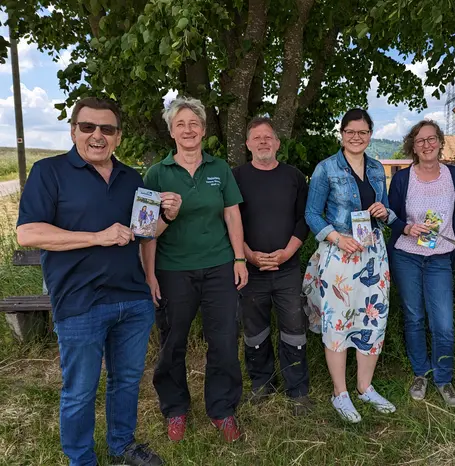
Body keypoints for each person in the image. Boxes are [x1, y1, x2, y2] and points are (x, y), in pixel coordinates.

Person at [16, 97, 166, 466]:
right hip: (80, 302)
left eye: (107, 129)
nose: (97, 135)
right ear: (73, 131)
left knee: (127, 381)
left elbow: (145, 233)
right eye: (88, 127)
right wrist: (96, 236)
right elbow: (28, 234)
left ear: (118, 137)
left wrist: (168, 217)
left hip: (132, 299)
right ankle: (81, 458)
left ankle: (122, 446)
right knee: (80, 391)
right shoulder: (48, 172)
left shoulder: (132, 177)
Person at [140, 97, 248, 443]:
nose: (188, 130)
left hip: (219, 267)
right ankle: (175, 410)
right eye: (180, 124)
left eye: (194, 124)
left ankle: (222, 410)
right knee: (173, 342)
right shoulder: (156, 173)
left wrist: (239, 258)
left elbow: (232, 214)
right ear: (171, 131)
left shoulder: (220, 169)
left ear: (203, 130)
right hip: (173, 270)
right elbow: (144, 229)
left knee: (224, 342)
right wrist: (150, 274)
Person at [304, 108, 397, 423]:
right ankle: (340, 393)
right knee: (339, 323)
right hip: (339, 257)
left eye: (363, 132)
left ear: (370, 135)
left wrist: (386, 213)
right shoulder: (326, 169)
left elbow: (385, 212)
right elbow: (312, 214)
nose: (356, 137)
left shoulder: (375, 168)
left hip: (372, 255)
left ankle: (365, 387)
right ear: (341, 134)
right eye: (350, 131)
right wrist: (336, 238)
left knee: (372, 320)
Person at [388, 119, 455, 407]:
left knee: (443, 322)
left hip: (441, 256)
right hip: (406, 255)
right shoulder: (402, 179)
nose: (427, 144)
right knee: (414, 317)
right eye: (421, 140)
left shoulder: (453, 175)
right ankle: (421, 374)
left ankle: (444, 379)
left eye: (432, 139)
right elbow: (391, 218)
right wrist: (406, 228)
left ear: (440, 142)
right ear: (413, 147)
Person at [232, 116, 311, 415]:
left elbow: (304, 220)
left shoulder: (294, 177)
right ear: (248, 144)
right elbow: (229, 221)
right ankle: (261, 384)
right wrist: (248, 255)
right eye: (257, 137)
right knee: (254, 332)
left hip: (287, 267)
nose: (263, 141)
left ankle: (298, 390)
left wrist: (287, 253)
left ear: (278, 143)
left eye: (269, 137)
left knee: (294, 328)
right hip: (250, 268)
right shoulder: (236, 176)